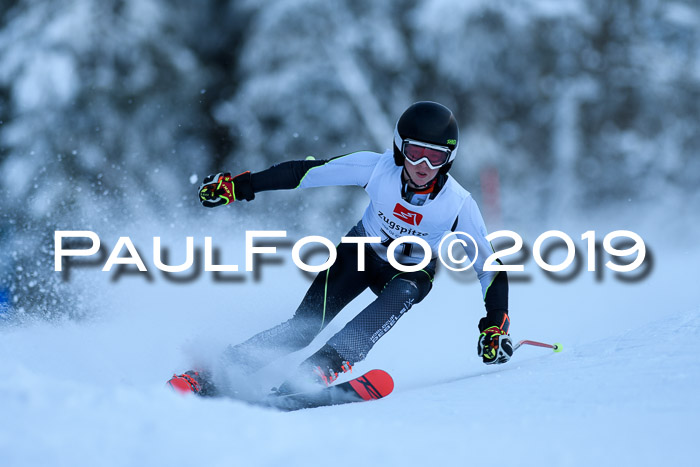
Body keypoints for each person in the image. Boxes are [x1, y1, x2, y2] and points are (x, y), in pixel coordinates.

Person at [167, 101, 513, 397]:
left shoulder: (457, 204)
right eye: (415, 153)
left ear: (448, 159)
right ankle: (214, 372)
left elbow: (488, 267)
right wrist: (239, 186)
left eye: (435, 157)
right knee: (304, 327)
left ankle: (319, 370)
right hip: (361, 251)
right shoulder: (376, 169)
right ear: (398, 148)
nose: (423, 167)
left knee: (405, 290)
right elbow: (304, 173)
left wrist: (495, 325)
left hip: (410, 270)